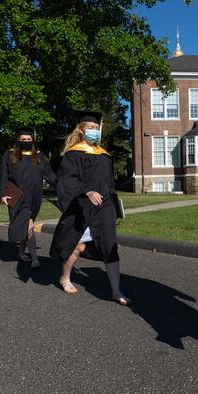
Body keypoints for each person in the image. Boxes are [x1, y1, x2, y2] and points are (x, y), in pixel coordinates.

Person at [49, 111, 129, 305]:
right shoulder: (74, 153)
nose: (94, 131)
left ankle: (116, 291)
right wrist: (87, 192)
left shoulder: (104, 154)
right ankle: (65, 278)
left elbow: (109, 184)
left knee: (110, 246)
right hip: (82, 207)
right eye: (90, 128)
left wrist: (115, 206)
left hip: (105, 207)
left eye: (96, 128)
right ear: (81, 130)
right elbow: (66, 181)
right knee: (78, 245)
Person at [0, 128, 57, 269]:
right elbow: (4, 175)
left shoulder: (39, 156)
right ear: (18, 140)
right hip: (16, 195)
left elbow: (50, 175)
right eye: (23, 140)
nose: (25, 142)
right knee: (28, 224)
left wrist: (65, 186)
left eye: (28, 140)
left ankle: (21, 252)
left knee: (27, 225)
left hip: (35, 196)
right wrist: (2, 194)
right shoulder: (9, 155)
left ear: (33, 140)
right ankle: (34, 258)